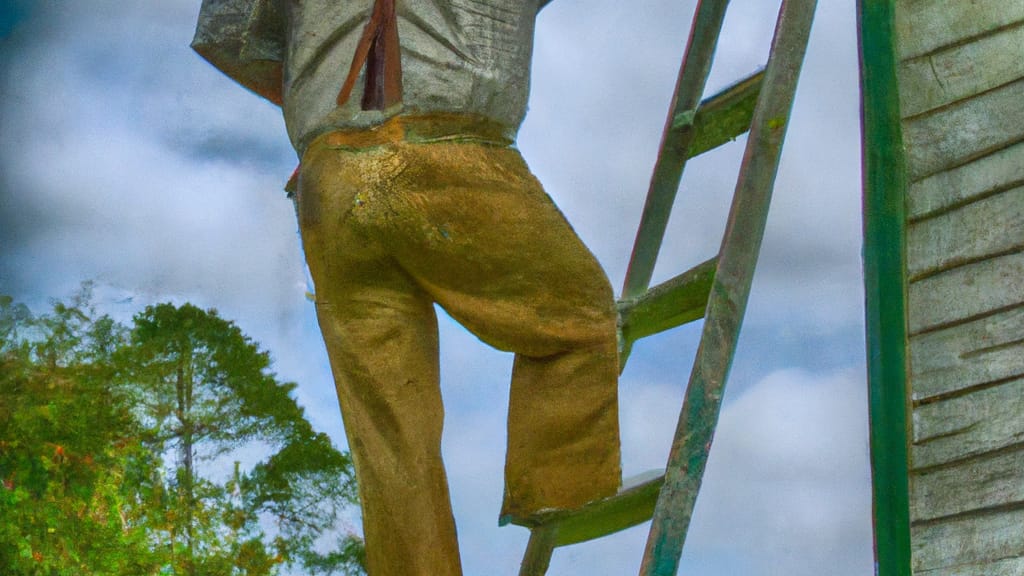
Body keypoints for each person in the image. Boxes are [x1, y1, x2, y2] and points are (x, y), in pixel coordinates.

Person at [193, 1, 621, 573]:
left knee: (390, 430)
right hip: (451, 149)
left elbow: (225, 33)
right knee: (579, 317)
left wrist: (328, 103)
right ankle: (556, 491)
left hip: (330, 178)